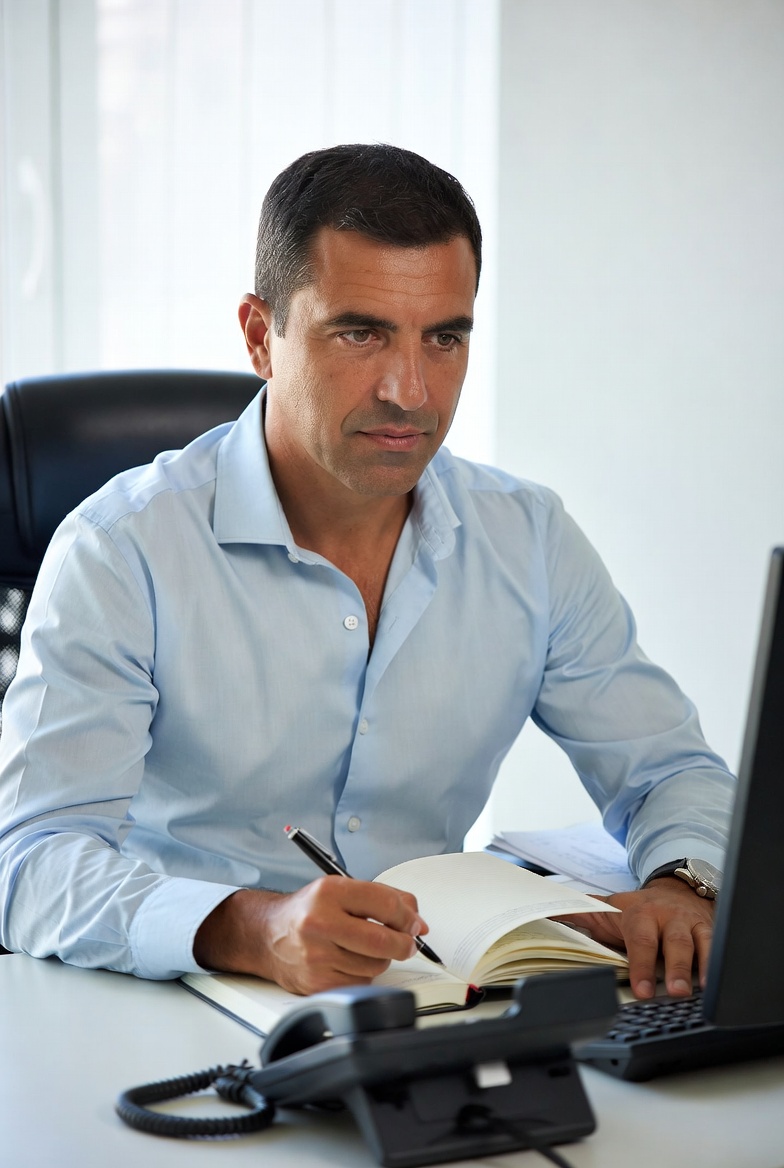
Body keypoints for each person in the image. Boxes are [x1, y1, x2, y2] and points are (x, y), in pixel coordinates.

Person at [0, 144, 733, 1002]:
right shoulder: (121, 549)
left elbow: (669, 771)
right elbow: (32, 861)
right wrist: (251, 925)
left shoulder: (526, 537)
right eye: (361, 332)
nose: (411, 391)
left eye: (445, 338)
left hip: (437, 999)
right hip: (176, 1001)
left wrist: (684, 888)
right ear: (259, 336)